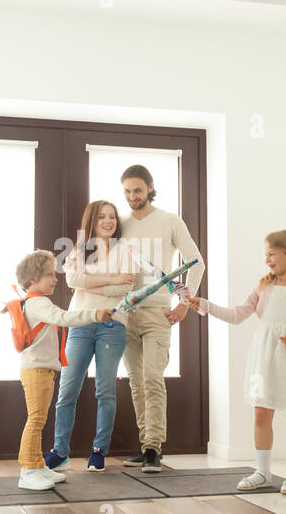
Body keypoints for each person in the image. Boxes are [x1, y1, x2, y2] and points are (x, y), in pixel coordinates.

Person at [188, 229, 286, 494]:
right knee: (261, 412)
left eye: (272, 254)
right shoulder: (263, 285)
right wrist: (205, 304)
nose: (267, 260)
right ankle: (262, 472)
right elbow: (238, 314)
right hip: (264, 358)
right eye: (266, 255)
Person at [118, 164, 204, 473]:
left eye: (138, 190)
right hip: (126, 314)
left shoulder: (170, 221)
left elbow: (196, 264)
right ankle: (145, 446)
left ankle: (155, 448)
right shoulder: (120, 224)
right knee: (136, 382)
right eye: (127, 191)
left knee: (153, 378)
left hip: (158, 313)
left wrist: (185, 303)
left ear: (150, 187)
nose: (132, 197)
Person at [45, 200, 134, 473]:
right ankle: (60, 451)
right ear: (92, 221)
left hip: (113, 324)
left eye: (112, 217)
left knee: (105, 390)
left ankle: (99, 451)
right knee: (67, 390)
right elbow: (73, 281)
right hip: (81, 322)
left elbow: (127, 286)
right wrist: (112, 280)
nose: (108, 222)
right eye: (102, 217)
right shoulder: (79, 251)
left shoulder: (125, 251)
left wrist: (101, 284)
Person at [13, 250, 113, 490]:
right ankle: (28, 470)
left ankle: (38, 466)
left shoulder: (37, 301)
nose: (55, 278)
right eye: (49, 275)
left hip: (43, 369)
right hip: (36, 369)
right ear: (32, 279)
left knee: (39, 418)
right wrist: (94, 314)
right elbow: (64, 317)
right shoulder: (37, 302)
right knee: (36, 419)